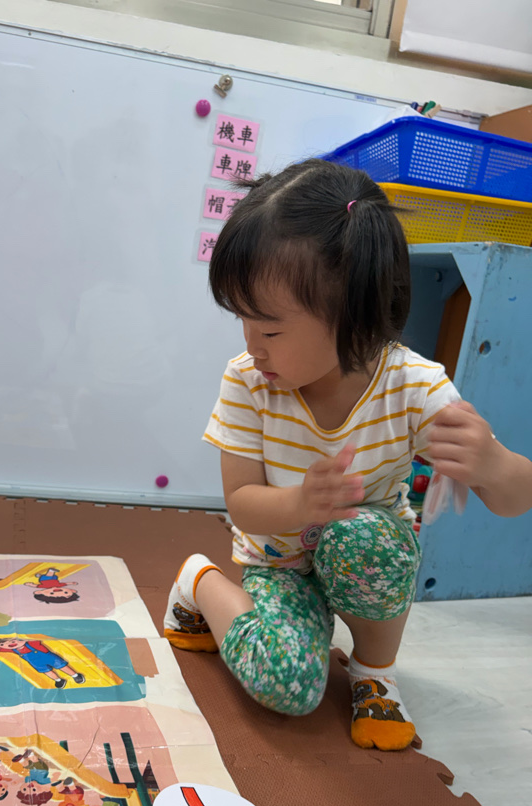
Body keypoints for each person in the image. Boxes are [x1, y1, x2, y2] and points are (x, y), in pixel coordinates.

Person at [164, 159, 532, 752]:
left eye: (270, 330)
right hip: (280, 564)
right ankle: (198, 582)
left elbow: (516, 499)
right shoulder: (248, 381)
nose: (252, 346)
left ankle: (374, 674)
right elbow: (243, 504)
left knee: (366, 536)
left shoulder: (413, 387)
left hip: (361, 555)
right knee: (287, 687)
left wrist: (492, 464)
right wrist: (300, 503)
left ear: (352, 315)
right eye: (242, 321)